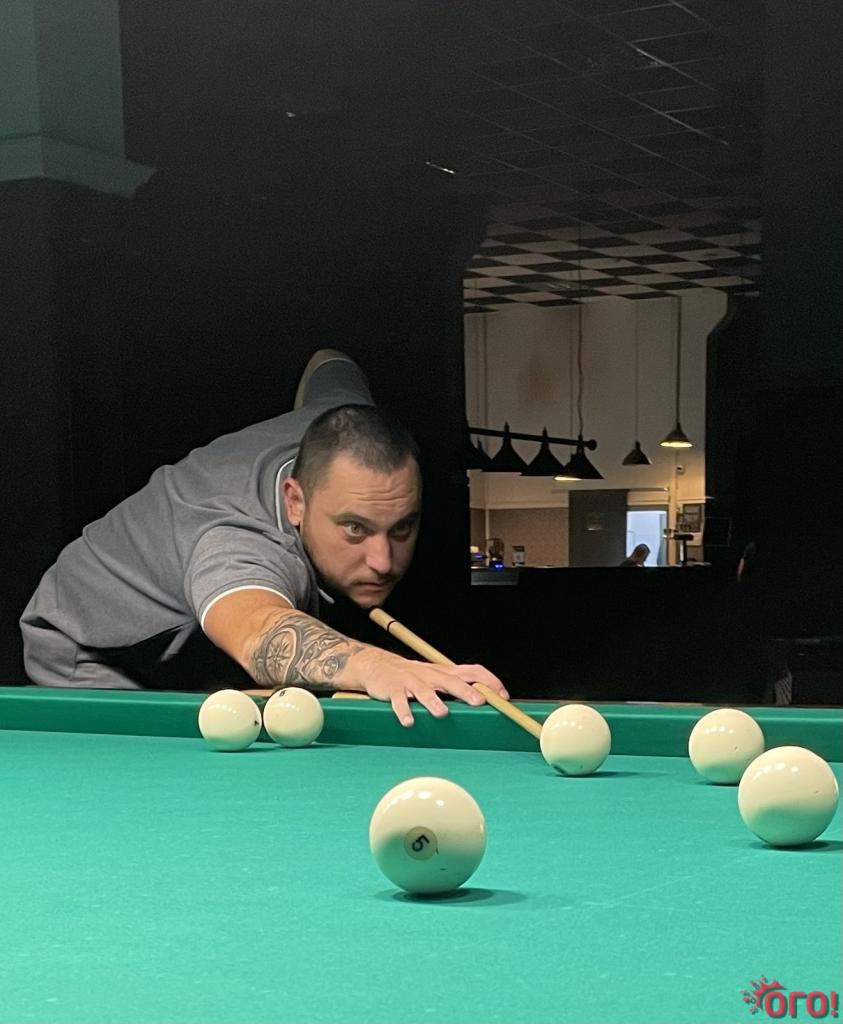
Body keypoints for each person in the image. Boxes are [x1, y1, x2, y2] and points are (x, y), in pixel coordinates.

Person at [20, 350, 509, 725]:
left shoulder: (345, 419)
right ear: (295, 501)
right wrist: (377, 666)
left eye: (401, 527)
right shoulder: (239, 542)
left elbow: (330, 364)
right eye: (355, 528)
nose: (382, 561)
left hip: (193, 638)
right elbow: (259, 630)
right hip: (95, 650)